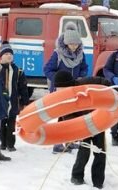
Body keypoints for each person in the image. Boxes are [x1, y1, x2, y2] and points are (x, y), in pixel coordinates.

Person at [53, 70, 108, 189]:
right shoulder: (61, 99)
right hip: (82, 125)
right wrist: (74, 132)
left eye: (63, 88)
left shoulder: (83, 84)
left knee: (100, 152)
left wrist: (110, 87)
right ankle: (76, 176)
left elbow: (101, 81)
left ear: (70, 85)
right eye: (58, 88)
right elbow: (66, 117)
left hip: (97, 120)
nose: (60, 91)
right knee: (84, 151)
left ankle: (98, 181)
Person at [43, 21, 88, 153]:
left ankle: (70, 141)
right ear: (66, 43)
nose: (74, 47)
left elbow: (84, 68)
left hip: (74, 90)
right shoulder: (58, 54)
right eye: (71, 44)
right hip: (60, 91)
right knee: (61, 117)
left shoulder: (81, 54)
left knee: (72, 116)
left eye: (76, 44)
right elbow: (47, 70)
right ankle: (57, 144)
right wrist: (58, 80)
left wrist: (81, 77)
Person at [0, 41, 30, 152]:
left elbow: (23, 87)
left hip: (13, 103)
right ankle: (2, 143)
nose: (9, 56)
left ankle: (11, 144)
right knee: (1, 125)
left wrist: (25, 101)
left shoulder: (18, 71)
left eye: (10, 54)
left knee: (11, 125)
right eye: (6, 54)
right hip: (1, 104)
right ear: (1, 56)